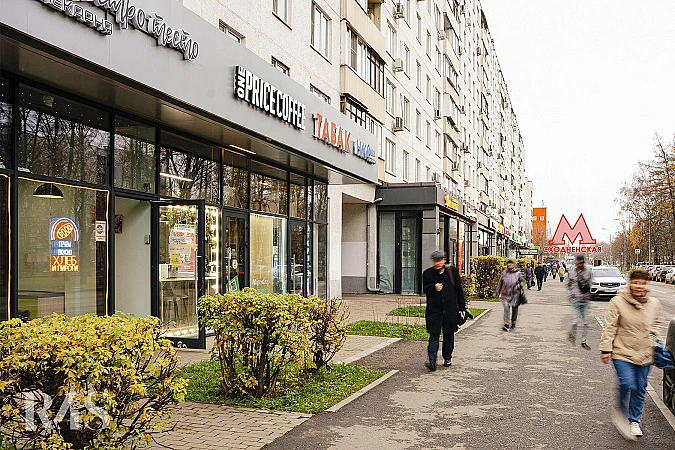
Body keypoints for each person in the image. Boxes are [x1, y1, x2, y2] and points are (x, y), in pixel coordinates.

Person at [599, 269, 663, 440]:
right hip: (622, 351)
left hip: (645, 353)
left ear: (646, 285)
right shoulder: (617, 302)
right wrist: (606, 349)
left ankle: (634, 421)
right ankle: (621, 410)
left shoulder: (654, 303)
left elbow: (657, 322)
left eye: (642, 283)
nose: (638, 286)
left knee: (640, 387)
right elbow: (610, 326)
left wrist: (654, 334)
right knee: (628, 383)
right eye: (635, 282)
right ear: (630, 283)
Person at [422, 250, 466, 371]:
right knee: (434, 335)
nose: (437, 263)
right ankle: (432, 361)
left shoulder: (452, 272)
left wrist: (462, 307)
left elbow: (459, 290)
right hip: (434, 310)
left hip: (450, 309)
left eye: (439, 260)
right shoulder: (427, 273)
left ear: (444, 260)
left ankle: (447, 358)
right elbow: (424, 288)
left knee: (448, 335)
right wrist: (433, 287)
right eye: (435, 261)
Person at [566, 254, 593, 350]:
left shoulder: (588, 271)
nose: (580, 264)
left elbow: (590, 284)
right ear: (576, 262)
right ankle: (572, 335)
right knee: (575, 322)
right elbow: (568, 284)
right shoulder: (571, 272)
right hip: (576, 300)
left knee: (585, 322)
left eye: (582, 263)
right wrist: (571, 295)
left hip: (585, 300)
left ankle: (583, 341)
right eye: (579, 263)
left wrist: (588, 295)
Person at [496, 258, 524, 331]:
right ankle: (506, 324)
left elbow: (522, 282)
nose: (510, 265)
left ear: (514, 265)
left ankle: (513, 322)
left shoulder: (517, 273)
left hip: (515, 294)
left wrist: (517, 286)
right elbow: (500, 283)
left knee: (515, 309)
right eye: (508, 263)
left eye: (511, 263)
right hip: (505, 294)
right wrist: (497, 292)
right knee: (506, 309)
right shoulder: (504, 273)